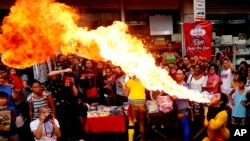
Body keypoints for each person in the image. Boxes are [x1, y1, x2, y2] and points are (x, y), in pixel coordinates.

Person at [123, 75, 146, 141]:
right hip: (142, 103)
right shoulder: (145, 81)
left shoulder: (129, 82)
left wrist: (122, 87)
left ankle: (130, 140)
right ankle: (142, 139)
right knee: (141, 123)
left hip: (133, 103)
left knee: (131, 122)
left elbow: (126, 95)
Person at [173, 69, 190, 141]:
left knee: (185, 126)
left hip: (184, 108)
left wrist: (175, 97)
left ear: (183, 76)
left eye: (180, 74)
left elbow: (183, 96)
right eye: (177, 74)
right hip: (178, 108)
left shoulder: (185, 85)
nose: (177, 75)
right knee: (182, 127)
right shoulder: (176, 85)